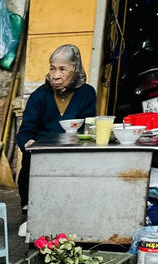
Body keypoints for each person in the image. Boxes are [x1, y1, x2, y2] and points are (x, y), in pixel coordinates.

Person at [13, 44, 97, 224]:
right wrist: (27, 142)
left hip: (73, 156)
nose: (55, 75)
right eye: (52, 68)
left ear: (75, 69)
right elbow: (25, 132)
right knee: (29, 166)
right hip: (42, 157)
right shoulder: (40, 96)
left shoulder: (87, 93)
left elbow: (89, 128)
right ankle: (30, 212)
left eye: (62, 69)